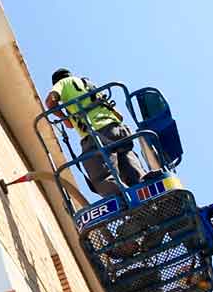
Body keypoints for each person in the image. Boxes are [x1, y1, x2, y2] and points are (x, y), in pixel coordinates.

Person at [44, 68, 145, 196]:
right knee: (129, 165)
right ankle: (144, 192)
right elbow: (119, 115)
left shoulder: (63, 83)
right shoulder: (88, 84)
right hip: (117, 130)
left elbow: (50, 101)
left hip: (95, 134)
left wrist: (65, 120)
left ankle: (126, 201)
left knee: (102, 177)